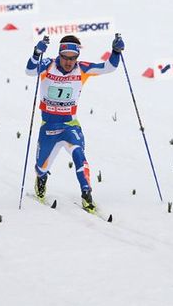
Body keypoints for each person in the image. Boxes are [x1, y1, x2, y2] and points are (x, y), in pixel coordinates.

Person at [26, 34, 125, 212]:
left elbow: (109, 67)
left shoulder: (82, 69)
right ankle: (41, 178)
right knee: (41, 167)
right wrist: (36, 53)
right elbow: (30, 70)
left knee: (79, 155)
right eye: (65, 58)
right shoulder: (47, 64)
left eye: (73, 58)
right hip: (48, 127)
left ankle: (86, 193)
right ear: (59, 55)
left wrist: (116, 51)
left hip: (70, 125)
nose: (69, 62)